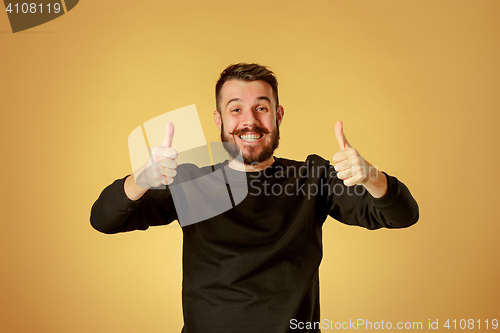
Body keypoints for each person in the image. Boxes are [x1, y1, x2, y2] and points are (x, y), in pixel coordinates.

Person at [90, 63, 419, 333]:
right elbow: (103, 219)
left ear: (278, 116)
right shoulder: (191, 181)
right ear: (219, 120)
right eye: (236, 109)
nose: (249, 121)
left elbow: (402, 215)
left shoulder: (313, 177)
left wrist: (372, 176)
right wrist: (140, 180)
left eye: (261, 108)